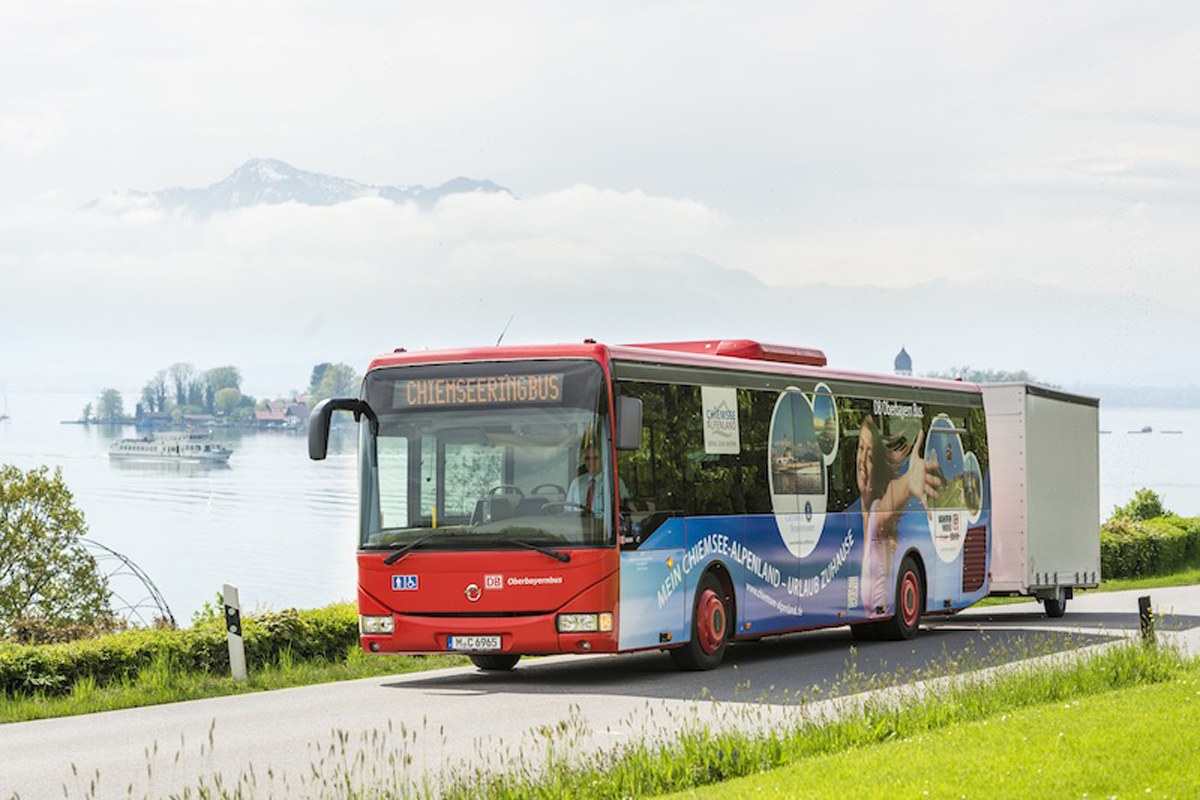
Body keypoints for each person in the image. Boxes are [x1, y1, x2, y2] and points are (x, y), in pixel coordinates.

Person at [856, 415, 941, 614]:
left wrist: (908, 482)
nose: (862, 461)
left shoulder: (877, 511)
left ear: (877, 466)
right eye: (860, 449)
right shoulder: (864, 515)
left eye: (870, 456)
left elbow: (888, 506)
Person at [566, 444, 629, 519]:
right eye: (587, 458)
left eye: (595, 458)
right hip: (579, 525)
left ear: (602, 459)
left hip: (604, 525)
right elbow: (568, 511)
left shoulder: (615, 482)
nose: (591, 462)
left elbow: (624, 510)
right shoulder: (576, 484)